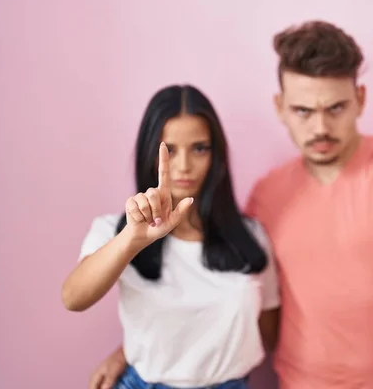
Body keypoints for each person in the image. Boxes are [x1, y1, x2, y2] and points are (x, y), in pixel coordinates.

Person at [90, 20, 373, 389]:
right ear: (280, 107)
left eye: (335, 107)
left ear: (360, 98)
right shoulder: (266, 195)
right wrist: (129, 352)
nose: (320, 127)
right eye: (303, 110)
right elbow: (226, 293)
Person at [61, 84, 280, 389]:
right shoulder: (114, 231)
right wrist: (131, 240)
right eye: (170, 150)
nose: (184, 166)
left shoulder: (251, 237)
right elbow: (73, 298)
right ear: (150, 152)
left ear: (216, 154)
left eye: (199, 148)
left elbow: (270, 330)